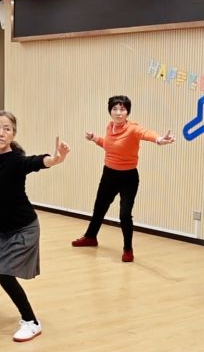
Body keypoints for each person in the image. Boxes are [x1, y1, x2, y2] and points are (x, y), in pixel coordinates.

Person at [0, 111, 70, 342]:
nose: (1, 132)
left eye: (7, 129)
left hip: (23, 229)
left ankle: (31, 322)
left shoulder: (16, 161)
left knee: (6, 277)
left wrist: (54, 160)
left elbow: (36, 162)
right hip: (1, 229)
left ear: (13, 134)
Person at [71, 95, 175, 262]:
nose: (118, 113)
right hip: (109, 175)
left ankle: (128, 249)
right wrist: (95, 138)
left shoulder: (133, 129)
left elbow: (145, 133)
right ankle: (90, 237)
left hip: (128, 178)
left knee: (125, 214)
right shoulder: (110, 127)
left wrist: (158, 139)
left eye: (122, 109)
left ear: (127, 112)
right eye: (115, 109)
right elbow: (109, 146)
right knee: (99, 208)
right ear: (110, 111)